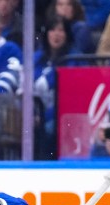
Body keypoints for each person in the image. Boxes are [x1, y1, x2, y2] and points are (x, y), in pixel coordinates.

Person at [34, 14, 78, 159]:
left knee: (48, 128)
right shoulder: (37, 58)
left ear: (67, 34)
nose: (56, 34)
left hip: (61, 115)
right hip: (35, 114)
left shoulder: (73, 59)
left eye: (61, 30)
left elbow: (69, 98)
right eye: (52, 30)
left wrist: (43, 116)